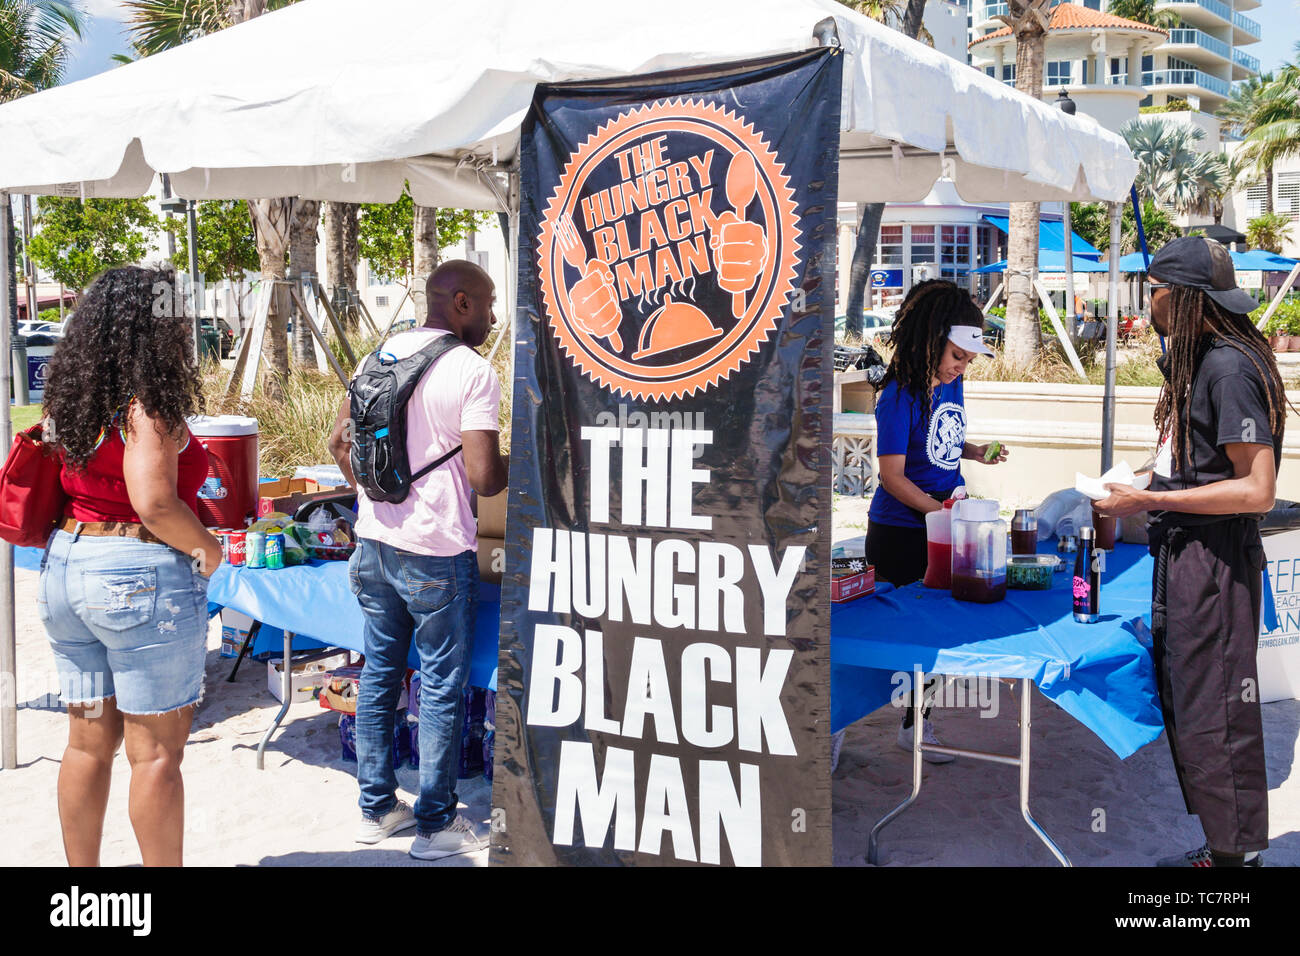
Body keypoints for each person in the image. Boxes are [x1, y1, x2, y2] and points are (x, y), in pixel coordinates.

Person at [1096, 237, 1282, 867]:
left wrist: (1155, 503)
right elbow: (1195, 468)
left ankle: (1236, 861)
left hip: (1216, 561)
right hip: (1184, 553)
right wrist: (1148, 486)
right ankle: (1224, 847)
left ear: (1180, 298)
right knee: (1192, 699)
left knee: (1219, 705)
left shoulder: (1228, 368)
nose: (1147, 300)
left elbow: (1256, 491)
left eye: (1154, 289)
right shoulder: (1197, 360)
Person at [39, 265, 223, 867]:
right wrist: (208, 550)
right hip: (134, 576)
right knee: (157, 755)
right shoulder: (149, 402)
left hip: (68, 567)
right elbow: (155, 502)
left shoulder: (77, 395)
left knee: (88, 744)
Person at [328, 259, 507, 860]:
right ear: (459, 302)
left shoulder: (376, 358)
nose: (490, 316)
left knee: (380, 677)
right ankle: (434, 827)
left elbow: (337, 443)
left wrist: (375, 499)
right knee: (439, 685)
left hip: (375, 545)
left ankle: (377, 810)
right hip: (435, 553)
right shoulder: (470, 370)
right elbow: (484, 478)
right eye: (484, 305)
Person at [866, 279, 1007, 762]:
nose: (962, 367)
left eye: (968, 360)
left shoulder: (952, 384)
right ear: (929, 339)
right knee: (895, 635)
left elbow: (939, 443)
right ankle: (842, 721)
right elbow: (891, 476)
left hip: (943, 524)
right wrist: (940, 514)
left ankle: (916, 725)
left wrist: (974, 452)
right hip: (901, 533)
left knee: (943, 631)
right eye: (957, 356)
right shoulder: (897, 394)